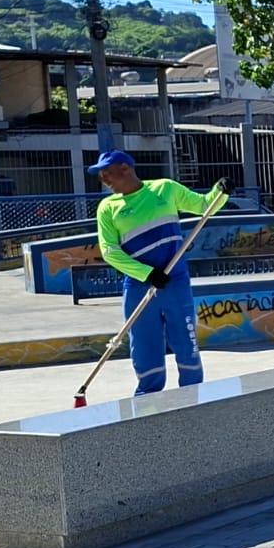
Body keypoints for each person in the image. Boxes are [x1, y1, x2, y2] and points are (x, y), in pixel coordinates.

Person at [91, 150, 231, 396]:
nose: (105, 181)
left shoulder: (165, 189)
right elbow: (109, 250)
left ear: (125, 168)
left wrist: (220, 192)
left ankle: (193, 396)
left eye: (107, 174)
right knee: (144, 345)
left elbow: (204, 206)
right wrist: (147, 273)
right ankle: (148, 399)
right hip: (138, 285)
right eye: (102, 177)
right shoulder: (107, 208)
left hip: (175, 283)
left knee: (185, 342)